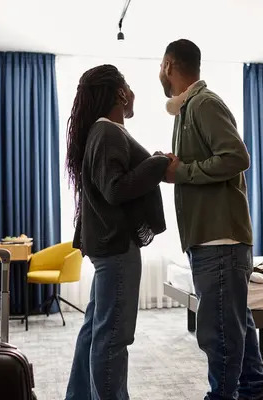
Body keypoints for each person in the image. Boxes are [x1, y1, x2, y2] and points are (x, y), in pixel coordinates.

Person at [159, 39, 263, 400]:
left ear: (169, 65)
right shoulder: (187, 110)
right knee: (236, 326)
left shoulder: (204, 104)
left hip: (219, 241)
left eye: (161, 67)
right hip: (210, 239)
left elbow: (237, 157)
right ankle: (255, 393)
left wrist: (183, 172)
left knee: (219, 332)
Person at [64, 64, 170, 400]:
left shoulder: (100, 131)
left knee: (96, 329)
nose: (133, 93)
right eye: (129, 87)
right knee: (113, 336)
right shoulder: (108, 132)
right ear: (121, 93)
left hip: (106, 245)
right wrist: (157, 162)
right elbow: (114, 189)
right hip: (115, 247)